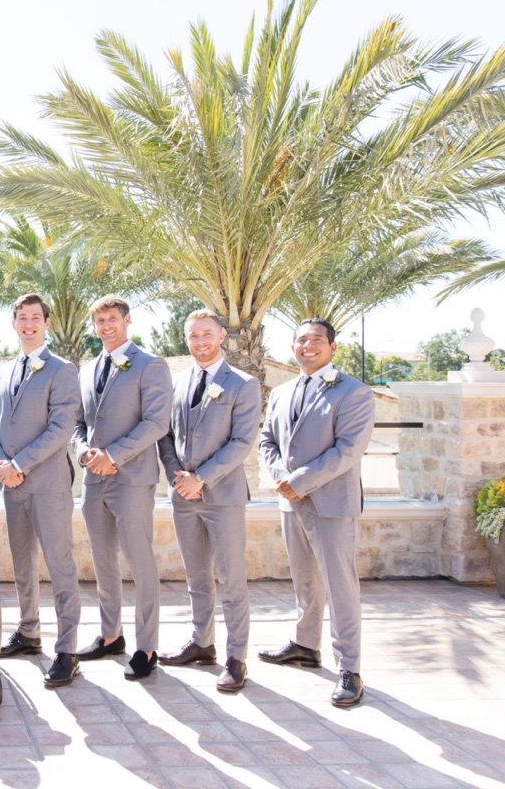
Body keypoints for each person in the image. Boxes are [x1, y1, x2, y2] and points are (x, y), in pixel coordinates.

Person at [258, 318, 375, 707]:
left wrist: (301, 480)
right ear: (293, 346)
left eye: (317, 340)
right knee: (304, 580)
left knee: (340, 585)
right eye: (301, 340)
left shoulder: (354, 392)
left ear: (333, 347)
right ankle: (305, 645)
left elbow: (347, 450)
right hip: (290, 500)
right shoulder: (282, 391)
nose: (308, 346)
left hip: (331, 503)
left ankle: (350, 668)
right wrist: (282, 478)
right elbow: (267, 440)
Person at [156, 309, 261, 692]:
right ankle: (202, 643)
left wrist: (202, 478)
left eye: (206, 334)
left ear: (220, 337)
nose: (200, 341)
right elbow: (164, 436)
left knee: (232, 580)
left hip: (223, 495)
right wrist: (177, 477)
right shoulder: (177, 383)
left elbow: (242, 442)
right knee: (196, 576)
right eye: (193, 336)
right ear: (186, 340)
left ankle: (236, 658)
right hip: (183, 495)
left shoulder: (243, 384)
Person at [0, 293, 82, 687]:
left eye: (35, 317)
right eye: (21, 317)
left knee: (60, 566)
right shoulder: (2, 373)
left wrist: (20, 464)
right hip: (13, 486)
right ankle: (28, 632)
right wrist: (1, 465)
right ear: (14, 324)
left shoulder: (63, 370)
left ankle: (68, 649)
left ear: (47, 323)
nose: (28, 323)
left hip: (48, 485)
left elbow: (61, 429)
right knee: (22, 563)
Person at [72, 294, 172, 680]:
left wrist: (113, 455)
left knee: (140, 561)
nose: (105, 326)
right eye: (99, 321)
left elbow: (156, 423)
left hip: (131, 479)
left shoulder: (151, 365)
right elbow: (79, 423)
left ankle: (147, 646)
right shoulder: (87, 369)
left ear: (126, 321)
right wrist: (83, 453)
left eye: (112, 319)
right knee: (102, 561)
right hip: (93, 481)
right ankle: (111, 635)